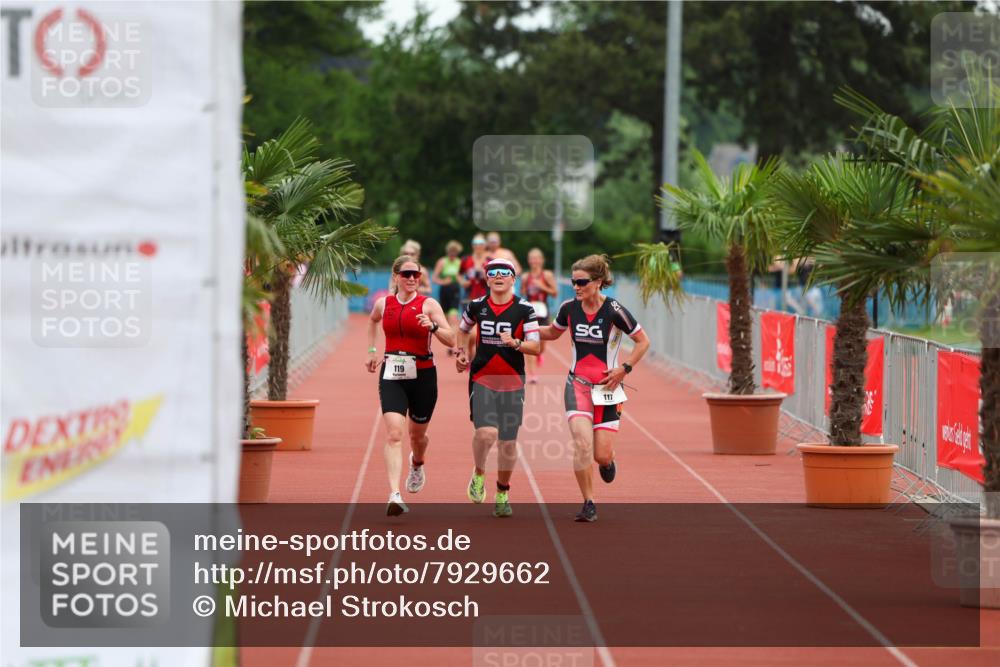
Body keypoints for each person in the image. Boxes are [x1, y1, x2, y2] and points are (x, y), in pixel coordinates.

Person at [538, 255, 650, 522]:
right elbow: (553, 333)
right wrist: (524, 328)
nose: (576, 287)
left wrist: (625, 368)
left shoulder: (614, 310)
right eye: (574, 282)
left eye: (582, 282)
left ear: (598, 282)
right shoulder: (569, 308)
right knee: (581, 443)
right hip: (577, 385)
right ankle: (589, 501)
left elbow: (643, 342)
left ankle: (608, 462)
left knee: (600, 454)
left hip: (608, 388)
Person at [367, 255, 455, 516]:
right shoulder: (384, 304)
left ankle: (417, 462)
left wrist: (434, 326)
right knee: (395, 433)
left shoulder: (428, 305)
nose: (412, 279)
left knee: (417, 436)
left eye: (416, 274)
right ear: (396, 277)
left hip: (424, 376)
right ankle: (394, 494)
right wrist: (372, 350)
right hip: (392, 375)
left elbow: (451, 339)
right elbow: (372, 320)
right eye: (406, 274)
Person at [455, 258, 540, 518]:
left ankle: (502, 491)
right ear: (487, 279)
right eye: (493, 272)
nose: (499, 276)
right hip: (482, 377)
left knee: (507, 442)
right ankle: (479, 473)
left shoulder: (526, 310)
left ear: (513, 279)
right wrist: (461, 352)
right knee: (486, 434)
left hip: (513, 381)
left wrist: (515, 342)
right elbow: (462, 330)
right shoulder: (477, 306)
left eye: (505, 272)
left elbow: (535, 347)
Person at [521, 248, 558, 384]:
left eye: (537, 258)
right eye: (532, 258)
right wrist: (525, 289)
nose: (534, 261)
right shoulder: (526, 276)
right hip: (530, 312)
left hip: (543, 311)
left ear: (541, 261)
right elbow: (523, 292)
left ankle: (539, 355)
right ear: (529, 260)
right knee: (530, 342)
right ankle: (532, 373)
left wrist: (542, 286)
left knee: (541, 346)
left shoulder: (546, 275)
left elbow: (555, 292)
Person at [432, 240, 464, 335]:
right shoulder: (442, 261)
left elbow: (461, 278)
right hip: (444, 290)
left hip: (455, 290)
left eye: (455, 252)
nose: (452, 254)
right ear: (448, 251)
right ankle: (446, 336)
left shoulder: (460, 262)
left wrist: (461, 281)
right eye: (451, 252)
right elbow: (434, 278)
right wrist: (443, 282)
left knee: (453, 316)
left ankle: (451, 341)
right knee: (445, 317)